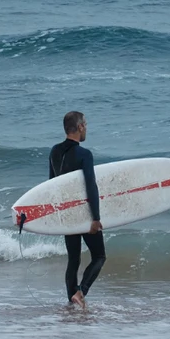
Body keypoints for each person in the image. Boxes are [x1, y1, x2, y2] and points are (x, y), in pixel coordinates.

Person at [49, 111, 104, 309]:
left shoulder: (54, 151)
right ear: (80, 127)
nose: (86, 128)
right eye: (85, 124)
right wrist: (95, 218)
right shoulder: (84, 154)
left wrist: (56, 213)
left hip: (66, 213)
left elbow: (51, 185)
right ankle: (81, 292)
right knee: (99, 256)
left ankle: (71, 302)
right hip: (84, 213)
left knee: (73, 259)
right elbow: (91, 186)